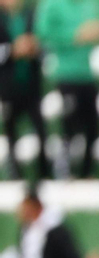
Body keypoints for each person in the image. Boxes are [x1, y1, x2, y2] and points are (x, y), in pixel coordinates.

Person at [36, 0, 99, 178]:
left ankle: (87, 172)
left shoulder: (90, 4)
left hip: (87, 73)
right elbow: (43, 34)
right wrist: (75, 36)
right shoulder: (51, 4)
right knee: (69, 124)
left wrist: (96, 33)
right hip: (65, 74)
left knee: (93, 127)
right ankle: (64, 170)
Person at [0, 0, 46, 182]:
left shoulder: (31, 14)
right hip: (9, 86)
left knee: (40, 129)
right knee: (12, 130)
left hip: (31, 84)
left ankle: (43, 170)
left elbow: (46, 42)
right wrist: (12, 50)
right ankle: (14, 171)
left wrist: (35, 47)